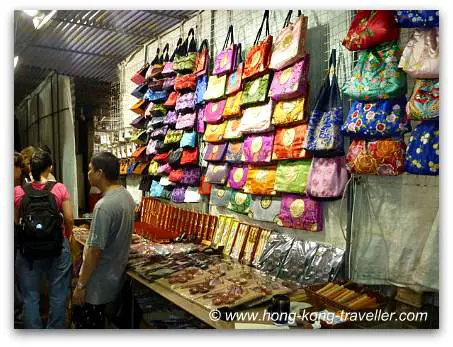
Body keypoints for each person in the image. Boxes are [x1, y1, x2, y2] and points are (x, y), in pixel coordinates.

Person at [72, 152, 135, 329]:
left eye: (90, 169)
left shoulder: (104, 206)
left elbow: (94, 251)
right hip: (115, 279)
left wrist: (81, 285)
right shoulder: (127, 197)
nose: (88, 173)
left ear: (100, 173)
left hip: (97, 285)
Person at [14, 151, 73, 329]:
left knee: (30, 296)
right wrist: (66, 237)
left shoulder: (18, 191)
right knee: (58, 294)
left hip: (28, 251)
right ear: (50, 168)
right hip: (56, 247)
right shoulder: (59, 188)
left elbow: (15, 222)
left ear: (30, 168)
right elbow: (69, 218)